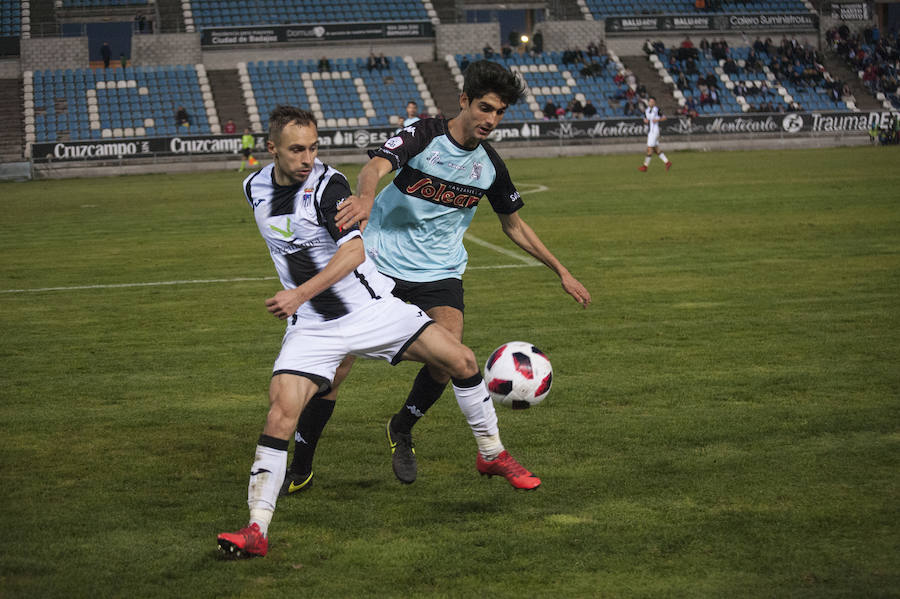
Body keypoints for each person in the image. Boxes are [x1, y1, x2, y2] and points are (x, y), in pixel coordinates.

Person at [216, 105, 522, 559]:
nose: (307, 158)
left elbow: (355, 254)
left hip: (370, 310)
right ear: (271, 149)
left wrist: (297, 294)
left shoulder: (327, 186)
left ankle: (492, 452)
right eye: (297, 150)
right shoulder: (253, 187)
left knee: (462, 359)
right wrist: (303, 303)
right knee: (281, 412)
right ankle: (256, 529)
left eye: (314, 147)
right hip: (314, 329)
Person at [280, 59, 591, 496]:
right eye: (484, 108)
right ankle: (302, 466)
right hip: (381, 260)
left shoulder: (489, 166)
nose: (490, 120)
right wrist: (366, 198)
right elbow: (375, 166)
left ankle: (401, 427)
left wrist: (562, 271)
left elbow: (514, 225)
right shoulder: (424, 134)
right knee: (338, 364)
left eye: (500, 113)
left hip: (440, 271)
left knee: (450, 357)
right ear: (463, 101)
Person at [638, 97, 671, 172]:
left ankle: (645, 166)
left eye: (653, 102)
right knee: (656, 149)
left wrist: (658, 119)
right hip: (650, 131)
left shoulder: (657, 110)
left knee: (649, 149)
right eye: (650, 101)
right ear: (648, 102)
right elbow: (645, 118)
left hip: (654, 131)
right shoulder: (646, 110)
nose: (651, 103)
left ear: (655, 103)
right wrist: (645, 120)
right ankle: (667, 162)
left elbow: (664, 117)